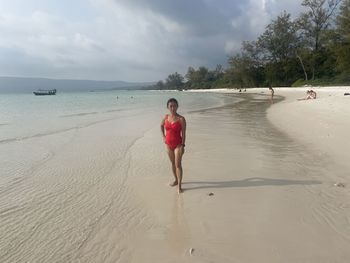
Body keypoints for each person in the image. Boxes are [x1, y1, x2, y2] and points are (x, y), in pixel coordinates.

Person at [160, 98, 186, 194]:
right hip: (168, 145)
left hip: (178, 145)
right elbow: (161, 126)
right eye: (170, 106)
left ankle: (179, 186)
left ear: (177, 106)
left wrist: (183, 145)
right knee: (172, 164)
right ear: (167, 107)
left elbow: (184, 133)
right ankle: (175, 180)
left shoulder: (181, 119)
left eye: (174, 105)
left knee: (178, 164)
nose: (172, 108)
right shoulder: (166, 117)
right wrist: (163, 136)